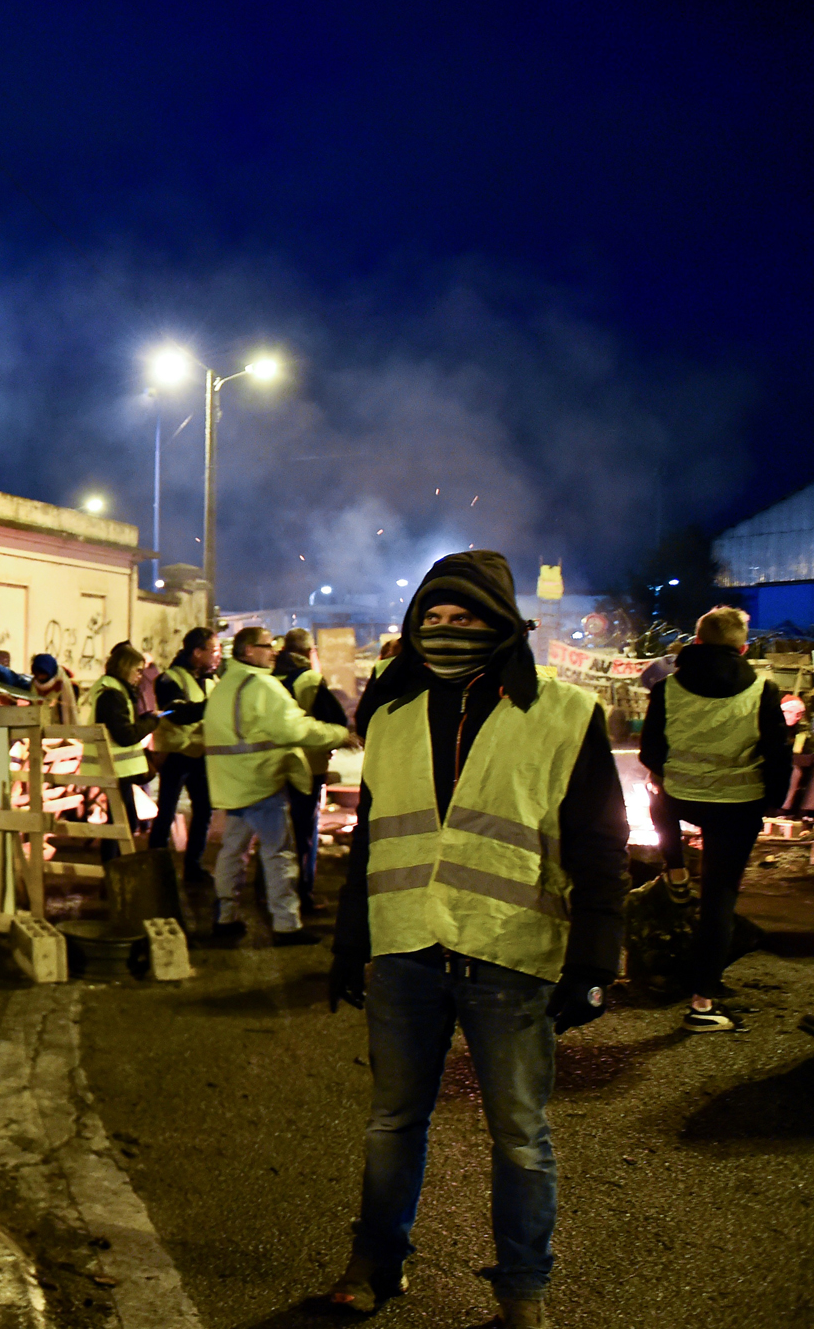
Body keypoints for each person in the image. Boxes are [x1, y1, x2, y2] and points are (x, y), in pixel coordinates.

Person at [326, 552, 630, 1329]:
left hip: (512, 950)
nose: (446, 633)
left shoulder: (564, 713)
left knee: (521, 1136)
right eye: (432, 619)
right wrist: (348, 938)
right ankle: (375, 1262)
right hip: (404, 948)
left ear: (501, 626)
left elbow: (600, 842)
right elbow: (369, 838)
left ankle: (522, 1291)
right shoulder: (390, 716)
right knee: (393, 1122)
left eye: (464, 620)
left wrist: (596, 959)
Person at [639, 606, 790, 1033]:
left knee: (657, 797)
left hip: (683, 799)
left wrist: (673, 774)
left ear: (696, 642)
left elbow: (651, 753)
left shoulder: (667, 688)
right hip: (738, 808)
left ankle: (676, 870)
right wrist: (771, 804)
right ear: (743, 648)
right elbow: (778, 755)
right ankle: (702, 1004)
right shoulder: (763, 688)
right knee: (719, 904)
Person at [204, 626, 354, 943]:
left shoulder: (225, 685)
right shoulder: (262, 686)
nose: (273, 651)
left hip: (233, 783)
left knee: (232, 852)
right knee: (279, 854)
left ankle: (225, 918)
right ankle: (287, 925)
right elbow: (295, 729)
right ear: (247, 651)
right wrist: (341, 735)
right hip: (261, 781)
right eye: (266, 646)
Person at [274, 628, 352, 914]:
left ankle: (268, 890)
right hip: (308, 766)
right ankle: (303, 893)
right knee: (304, 831)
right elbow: (336, 720)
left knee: (275, 832)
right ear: (310, 652)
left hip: (274, 764)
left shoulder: (268, 677)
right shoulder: (310, 679)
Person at [151, 627, 218, 882]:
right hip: (176, 754)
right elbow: (175, 713)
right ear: (197, 652)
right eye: (213, 650)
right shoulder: (169, 679)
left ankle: (194, 867)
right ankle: (157, 868)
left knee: (204, 810)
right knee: (166, 811)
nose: (217, 656)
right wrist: (212, 706)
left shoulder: (212, 679)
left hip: (200, 752)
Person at [89, 641, 156, 851]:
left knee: (120, 822)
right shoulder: (112, 693)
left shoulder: (112, 690)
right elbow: (124, 735)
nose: (139, 676)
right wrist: (151, 722)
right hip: (115, 768)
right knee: (121, 824)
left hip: (116, 768)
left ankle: (113, 870)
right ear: (126, 667)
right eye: (137, 670)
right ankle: (114, 872)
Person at [29, 652, 78, 722]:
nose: (40, 676)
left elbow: (68, 715)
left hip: (58, 730)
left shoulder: (63, 686)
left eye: (43, 673)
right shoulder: (33, 685)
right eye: (38, 673)